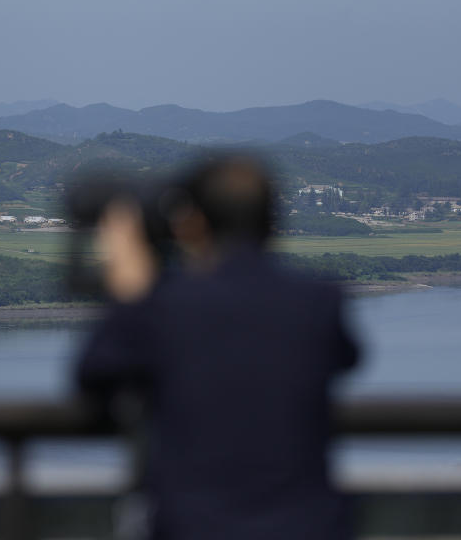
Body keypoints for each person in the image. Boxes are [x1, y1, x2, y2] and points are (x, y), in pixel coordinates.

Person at [75, 154, 361, 540]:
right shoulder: (317, 300)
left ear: (193, 223)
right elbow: (346, 359)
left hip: (193, 527)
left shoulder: (165, 307)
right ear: (272, 222)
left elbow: (94, 376)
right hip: (309, 527)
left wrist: (129, 294)